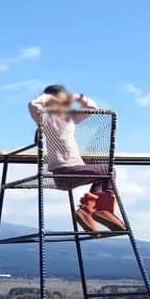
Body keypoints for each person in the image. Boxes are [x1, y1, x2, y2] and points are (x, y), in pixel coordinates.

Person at [28, 85, 125, 233]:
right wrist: (50, 96)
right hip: (65, 171)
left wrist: (77, 97)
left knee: (105, 175)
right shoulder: (45, 117)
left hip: (70, 172)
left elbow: (92, 107)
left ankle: (89, 210)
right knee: (109, 170)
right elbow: (33, 104)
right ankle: (96, 210)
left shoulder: (69, 118)